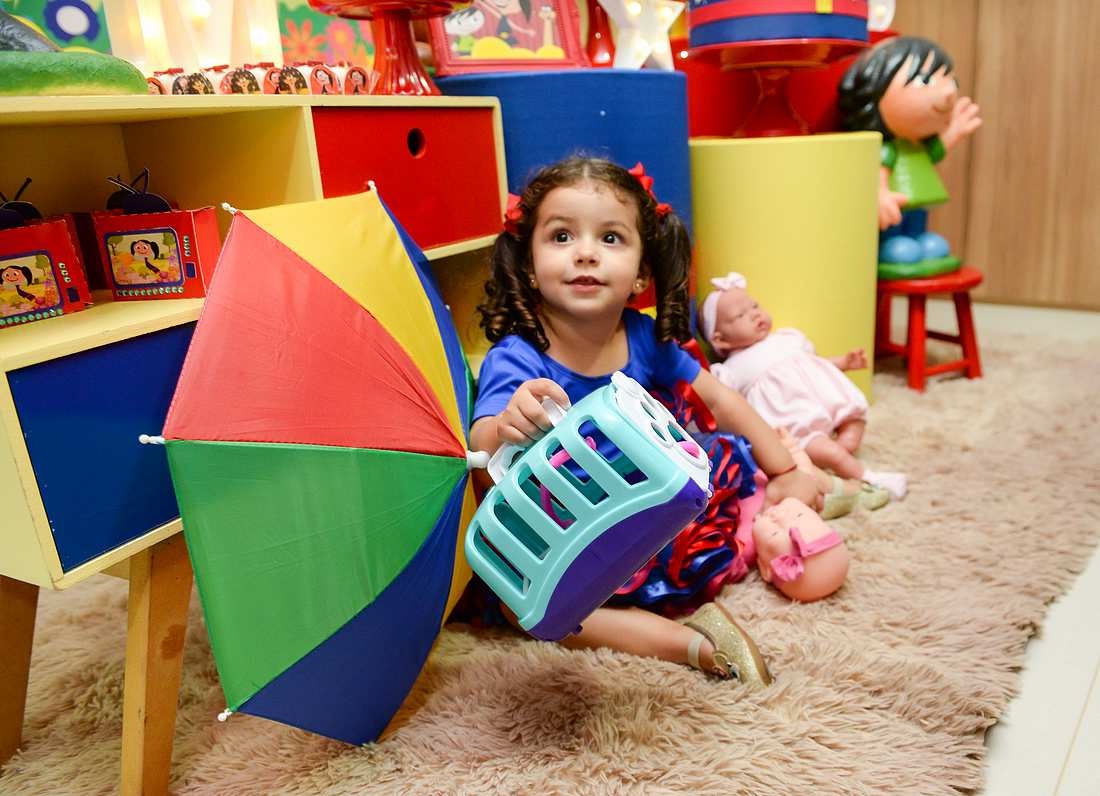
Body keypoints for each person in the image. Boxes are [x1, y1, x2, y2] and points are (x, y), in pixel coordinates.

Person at [470, 156, 824, 684]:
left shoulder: (642, 335)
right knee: (530, 610)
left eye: (610, 238)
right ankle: (691, 643)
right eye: (562, 236)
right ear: (528, 266)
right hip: (571, 526)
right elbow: (480, 446)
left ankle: (801, 486)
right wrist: (506, 425)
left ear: (640, 273)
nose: (586, 252)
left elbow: (721, 400)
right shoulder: (517, 356)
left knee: (737, 478)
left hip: (651, 506)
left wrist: (784, 469)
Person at [700, 272, 906, 500]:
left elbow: (814, 363)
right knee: (833, 453)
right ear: (720, 339)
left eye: (755, 306)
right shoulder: (732, 369)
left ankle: (843, 446)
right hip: (799, 426)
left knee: (854, 420)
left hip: (827, 403)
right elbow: (721, 403)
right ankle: (870, 480)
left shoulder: (786, 338)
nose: (755, 313)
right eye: (741, 315)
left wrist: (844, 362)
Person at [838, 36, 982, 274]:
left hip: (917, 205)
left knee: (918, 220)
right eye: (925, 80)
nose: (949, 92)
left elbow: (935, 152)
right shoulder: (887, 149)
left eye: (951, 81)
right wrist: (880, 195)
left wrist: (953, 132)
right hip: (893, 213)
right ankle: (891, 242)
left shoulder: (918, 146)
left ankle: (918, 236)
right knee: (897, 230)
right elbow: (878, 174)